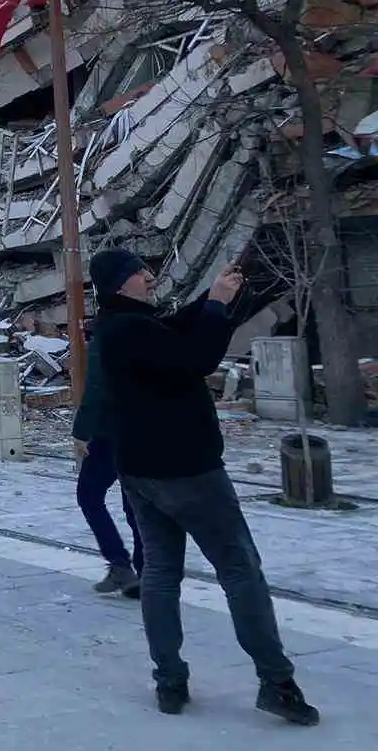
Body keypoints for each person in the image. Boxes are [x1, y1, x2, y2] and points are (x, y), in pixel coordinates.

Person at [93, 248, 318, 725]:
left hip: (139, 471)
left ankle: (169, 681)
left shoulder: (124, 325)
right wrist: (215, 307)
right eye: (138, 272)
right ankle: (277, 682)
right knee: (240, 570)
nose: (149, 277)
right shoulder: (130, 330)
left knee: (160, 572)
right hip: (187, 471)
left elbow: (173, 329)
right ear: (119, 284)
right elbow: (194, 358)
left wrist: (216, 297)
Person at [72, 311, 144, 598]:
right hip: (142, 429)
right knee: (134, 503)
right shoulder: (144, 329)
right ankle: (147, 570)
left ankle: (119, 565)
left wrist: (81, 431)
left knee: (88, 495)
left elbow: (97, 388)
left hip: (109, 431)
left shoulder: (105, 338)